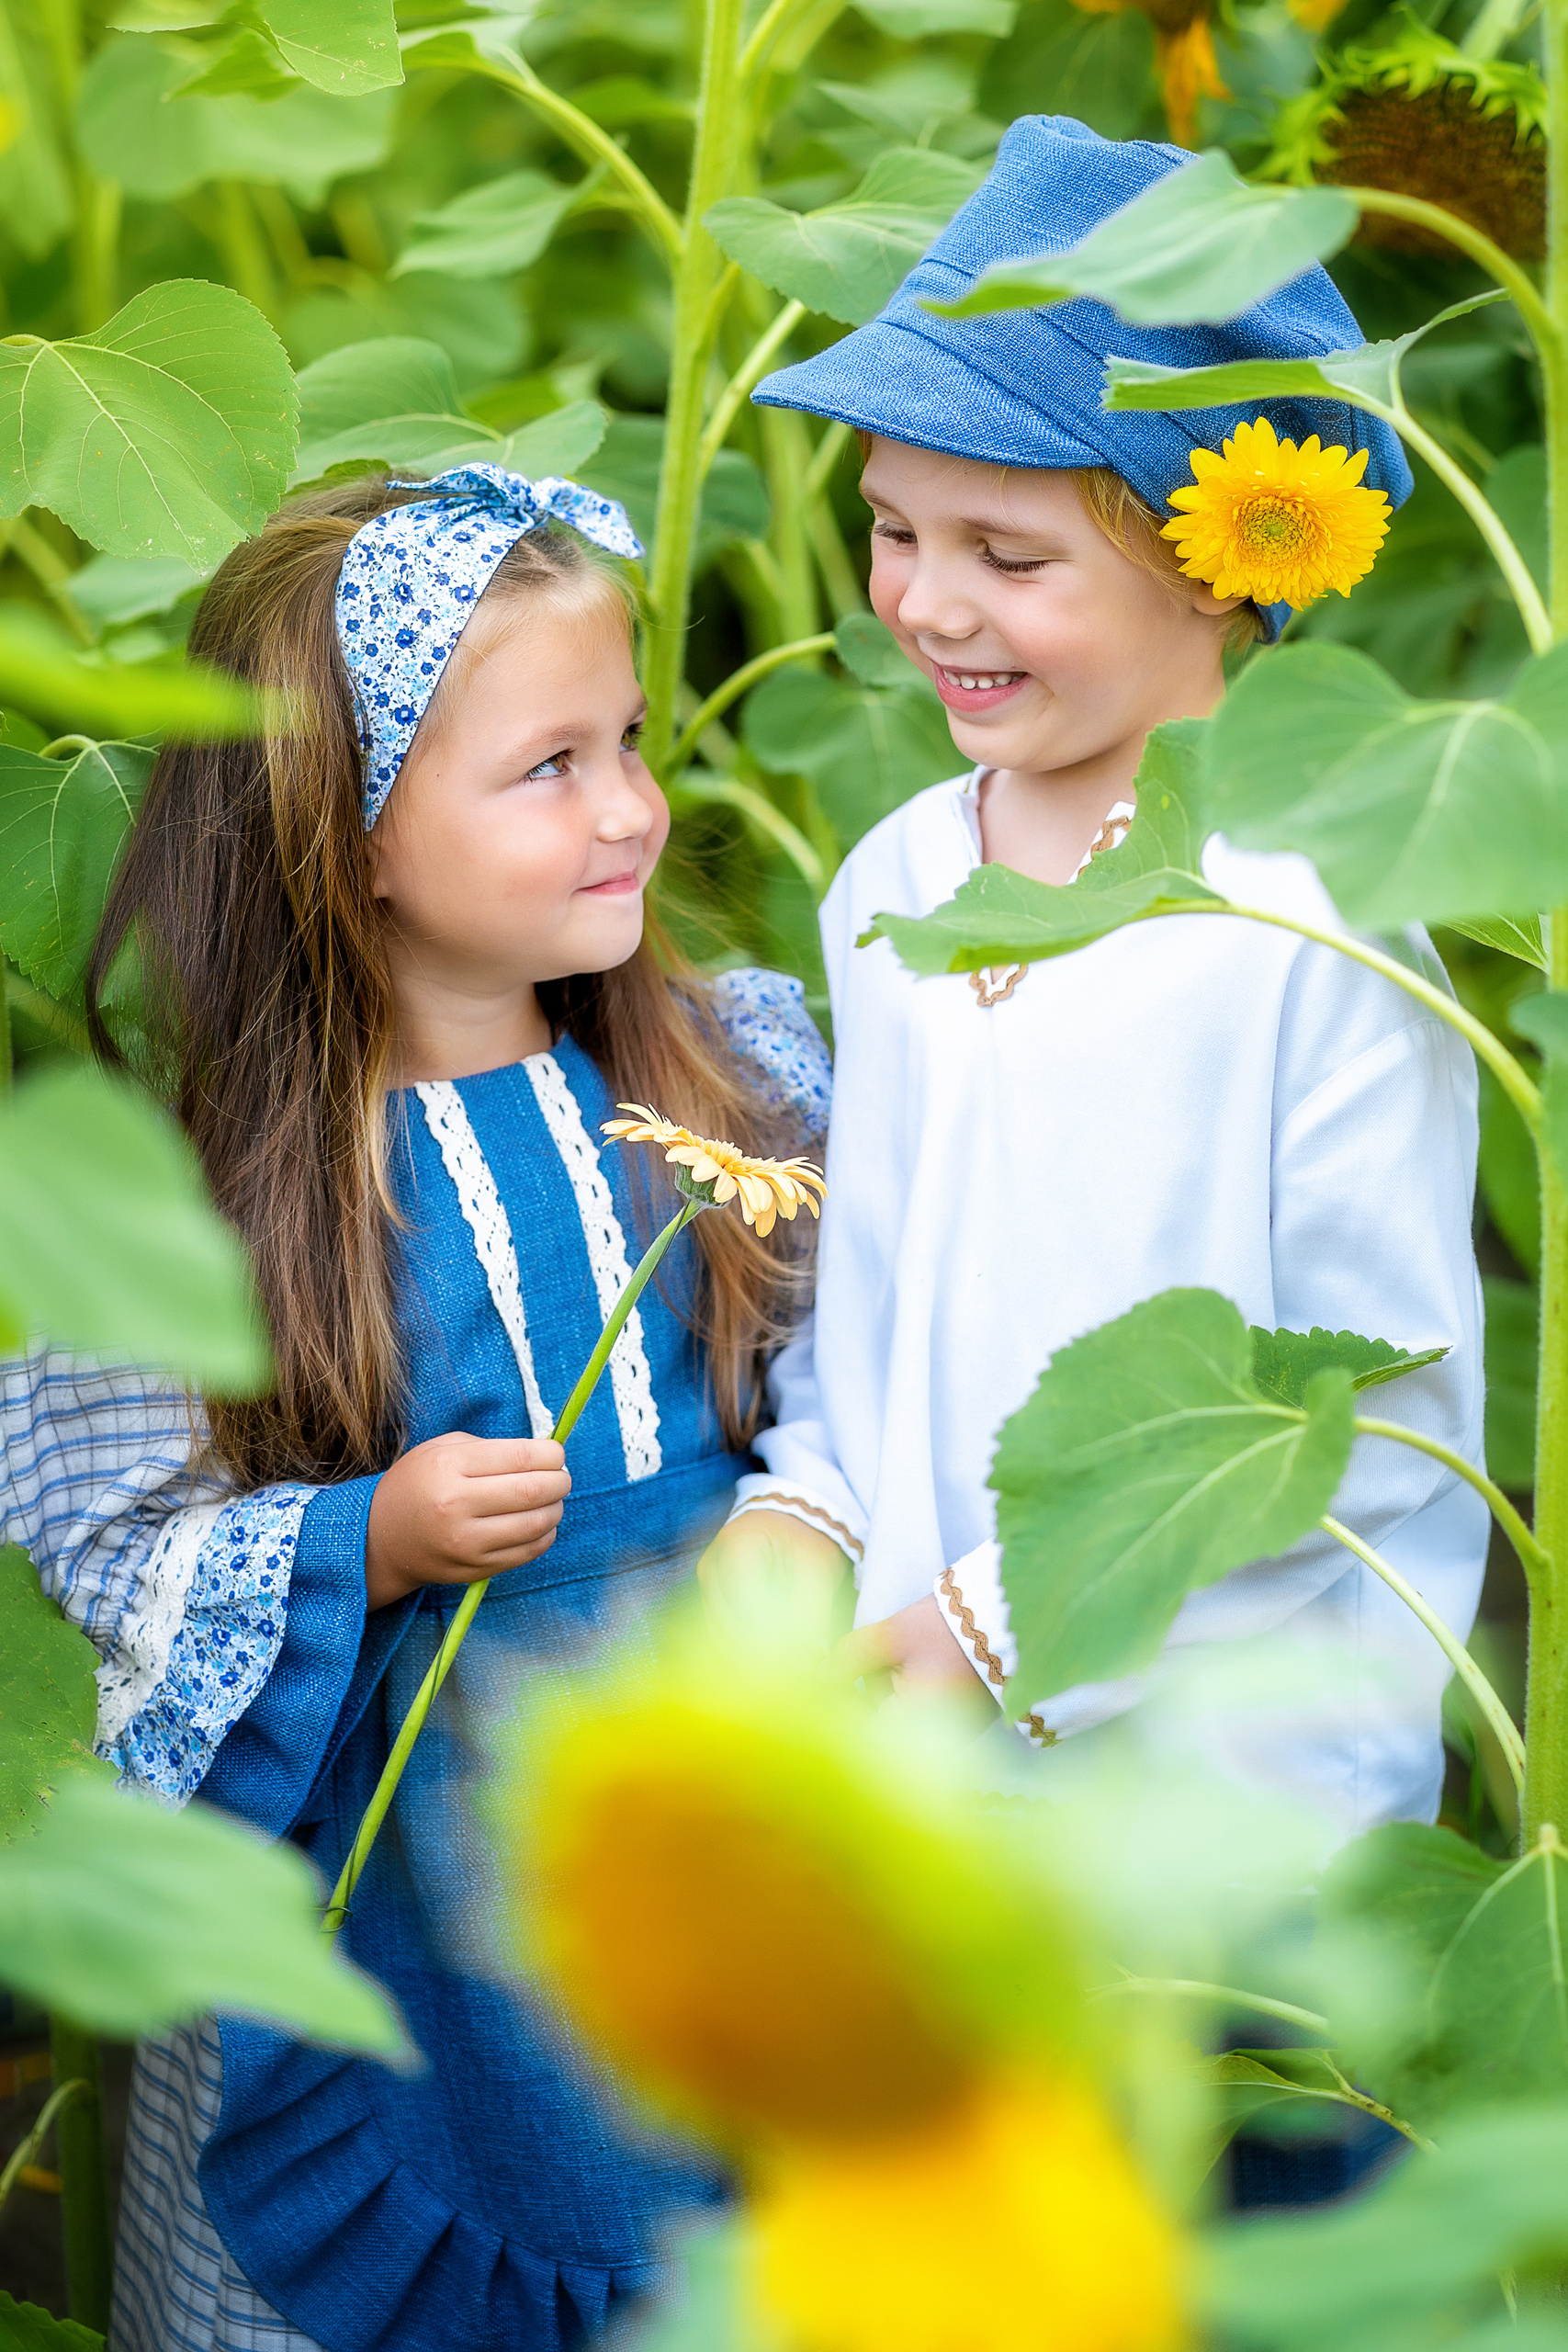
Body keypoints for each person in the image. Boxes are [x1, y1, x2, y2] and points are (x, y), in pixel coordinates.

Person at [2, 464, 829, 2351]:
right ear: (353, 825)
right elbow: (117, 1550)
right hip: (412, 1870)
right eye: (548, 765)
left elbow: (856, 1397)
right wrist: (358, 1534)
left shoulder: (733, 1085)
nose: (631, 806)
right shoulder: (225, 1206)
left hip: (702, 1816)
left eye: (627, 741)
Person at [698, 117, 1488, 1859]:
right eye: (896, 530)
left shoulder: (1320, 921)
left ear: (1217, 557)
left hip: (1235, 1823)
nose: (923, 602)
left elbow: (1360, 1426)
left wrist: (1000, 1629)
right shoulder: (900, 877)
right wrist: (814, 1513)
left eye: (1009, 554)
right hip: (937, 1780)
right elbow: (881, 1304)